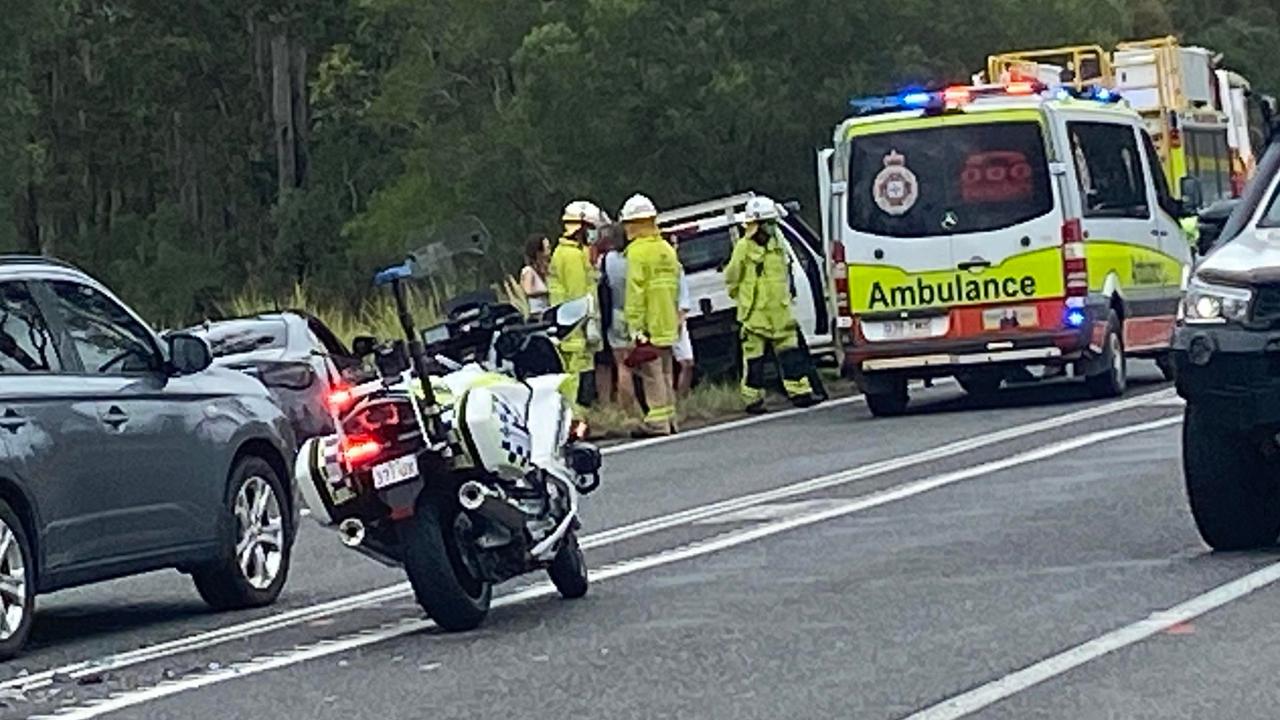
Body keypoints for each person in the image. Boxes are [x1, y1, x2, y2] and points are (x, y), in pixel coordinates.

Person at [725, 195, 821, 413]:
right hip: (755, 315)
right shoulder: (743, 248)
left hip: (780, 312)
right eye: (768, 223)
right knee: (755, 362)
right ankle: (753, 400)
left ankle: (800, 393)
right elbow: (732, 277)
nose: (771, 227)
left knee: (792, 357)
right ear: (756, 225)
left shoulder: (778, 243)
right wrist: (743, 299)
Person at [621, 193, 681, 437]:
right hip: (668, 320)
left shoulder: (636, 252)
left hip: (649, 324)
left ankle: (658, 423)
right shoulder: (666, 248)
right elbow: (675, 285)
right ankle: (671, 419)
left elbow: (635, 293)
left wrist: (635, 327)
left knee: (652, 375)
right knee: (666, 373)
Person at [548, 200, 607, 407]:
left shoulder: (566, 252)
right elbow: (578, 296)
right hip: (575, 331)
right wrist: (590, 324)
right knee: (579, 378)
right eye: (590, 228)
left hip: (569, 328)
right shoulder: (572, 256)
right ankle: (578, 419)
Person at [595, 223, 637, 411]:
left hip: (615, 313)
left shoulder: (605, 260)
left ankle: (626, 408)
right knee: (646, 365)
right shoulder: (634, 257)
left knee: (622, 365)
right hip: (636, 312)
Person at [671, 237, 695, 397]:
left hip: (678, 319)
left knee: (688, 363)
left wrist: (680, 318)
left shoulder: (677, 267)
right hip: (667, 319)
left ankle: (681, 398)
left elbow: (684, 298)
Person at [520, 234, 551, 314]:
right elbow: (527, 291)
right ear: (538, 252)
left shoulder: (544, 269)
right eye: (547, 248)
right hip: (535, 313)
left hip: (545, 310)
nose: (549, 251)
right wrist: (546, 291)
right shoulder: (529, 271)